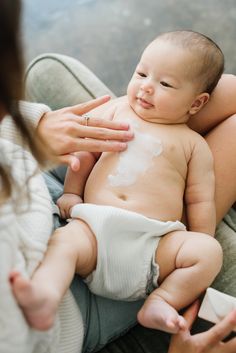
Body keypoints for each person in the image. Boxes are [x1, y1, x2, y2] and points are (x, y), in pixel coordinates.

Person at [1, 1, 236, 353]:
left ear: (196, 104)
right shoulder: (117, 109)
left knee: (208, 251)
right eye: (141, 74)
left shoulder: (192, 146)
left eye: (164, 84)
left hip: (153, 242)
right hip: (91, 229)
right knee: (64, 246)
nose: (145, 88)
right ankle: (45, 295)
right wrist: (71, 194)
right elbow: (86, 156)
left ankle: (162, 300)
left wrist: (198, 239)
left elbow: (200, 197)